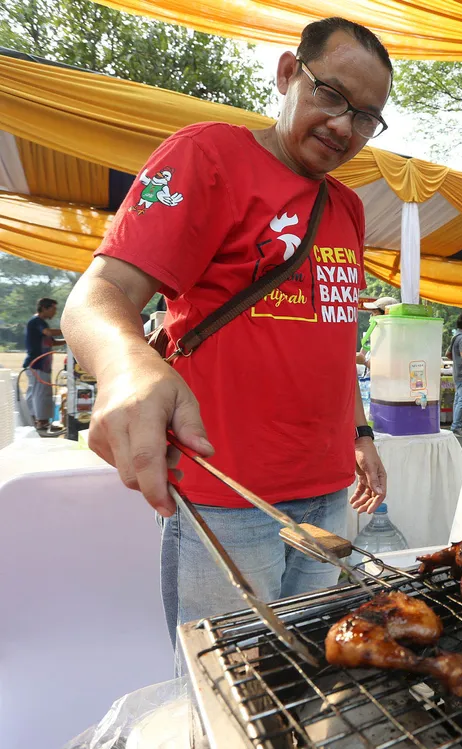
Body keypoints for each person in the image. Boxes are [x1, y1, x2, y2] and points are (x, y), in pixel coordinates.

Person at [60, 17, 391, 648]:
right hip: (228, 492)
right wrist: (127, 363)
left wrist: (361, 433)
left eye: (367, 116)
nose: (345, 126)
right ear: (290, 73)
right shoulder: (207, 155)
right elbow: (97, 297)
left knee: (305, 665)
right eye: (331, 95)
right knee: (229, 683)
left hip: (325, 489)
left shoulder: (346, 208)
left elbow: (335, 341)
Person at [23, 297, 62, 432]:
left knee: (34, 393)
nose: (55, 312)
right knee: (41, 393)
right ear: (44, 308)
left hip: (39, 365)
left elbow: (52, 342)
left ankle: (33, 421)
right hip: (37, 364)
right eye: (53, 309)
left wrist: (70, 338)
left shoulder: (41, 323)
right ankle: (42, 422)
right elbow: (49, 333)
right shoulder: (37, 322)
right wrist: (68, 329)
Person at [357, 295, 399, 365]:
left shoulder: (394, 338)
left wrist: (364, 361)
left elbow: (384, 368)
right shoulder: (373, 332)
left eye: (375, 313)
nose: (372, 316)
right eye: (371, 313)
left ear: (386, 314)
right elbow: (363, 352)